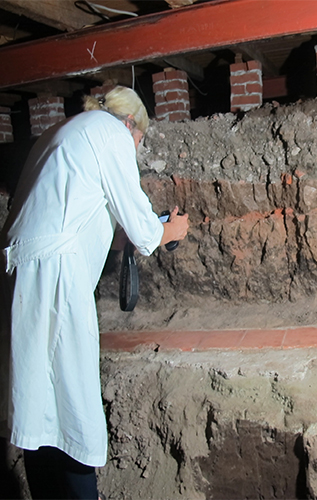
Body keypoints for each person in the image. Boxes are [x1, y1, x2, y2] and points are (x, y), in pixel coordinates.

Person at [0, 86, 189, 499]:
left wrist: (131, 234)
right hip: (54, 277)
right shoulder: (111, 134)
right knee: (73, 411)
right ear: (130, 124)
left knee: (38, 410)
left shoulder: (64, 132)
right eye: (140, 140)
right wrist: (172, 230)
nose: (136, 148)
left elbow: (82, 219)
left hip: (22, 274)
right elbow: (143, 232)